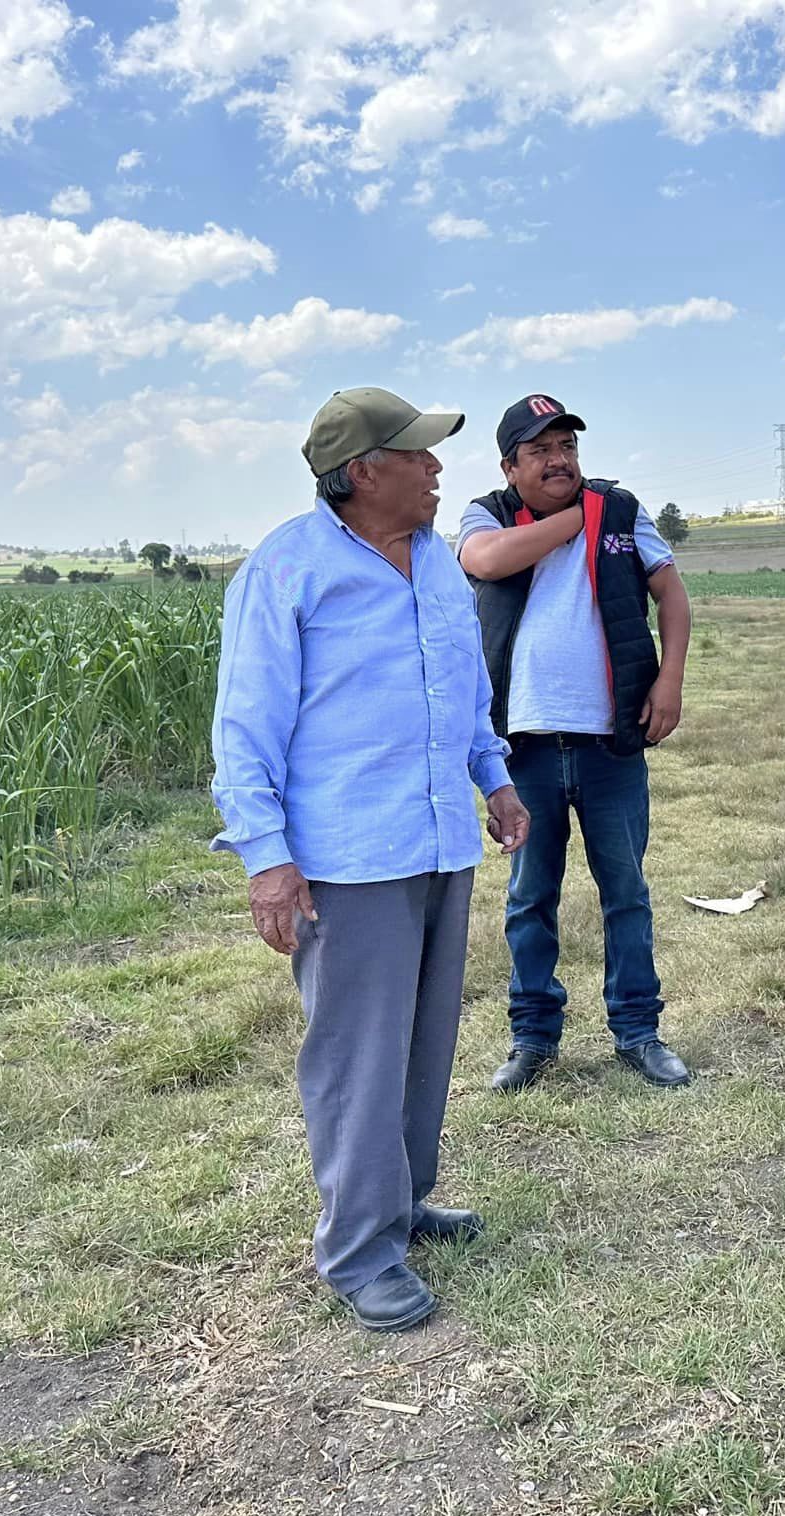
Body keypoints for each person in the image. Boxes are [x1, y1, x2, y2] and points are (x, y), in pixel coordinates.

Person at [210, 387, 531, 1332]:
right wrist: (268, 861)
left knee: (425, 1042)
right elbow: (246, 730)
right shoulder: (288, 570)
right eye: (419, 455)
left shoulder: (435, 565)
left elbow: (465, 695)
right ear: (362, 475)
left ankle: (400, 1200)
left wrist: (494, 778)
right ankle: (356, 1250)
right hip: (348, 859)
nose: (438, 470)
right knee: (358, 1052)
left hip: (434, 840)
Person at [456, 394, 694, 1093]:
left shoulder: (618, 510)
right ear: (509, 465)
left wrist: (670, 680)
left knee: (626, 890)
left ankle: (638, 1032)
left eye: (567, 447)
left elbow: (672, 595)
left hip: (610, 740)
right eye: (541, 450)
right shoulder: (489, 512)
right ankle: (532, 1038)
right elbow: (487, 560)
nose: (560, 460)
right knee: (531, 895)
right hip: (522, 747)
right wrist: (572, 519)